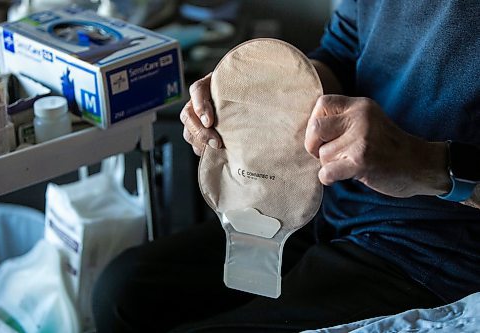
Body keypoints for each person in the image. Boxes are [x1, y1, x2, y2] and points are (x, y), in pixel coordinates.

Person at [92, 0, 480, 332]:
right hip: (322, 204)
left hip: (430, 253)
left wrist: (425, 163)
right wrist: (250, 93)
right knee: (121, 293)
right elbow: (340, 54)